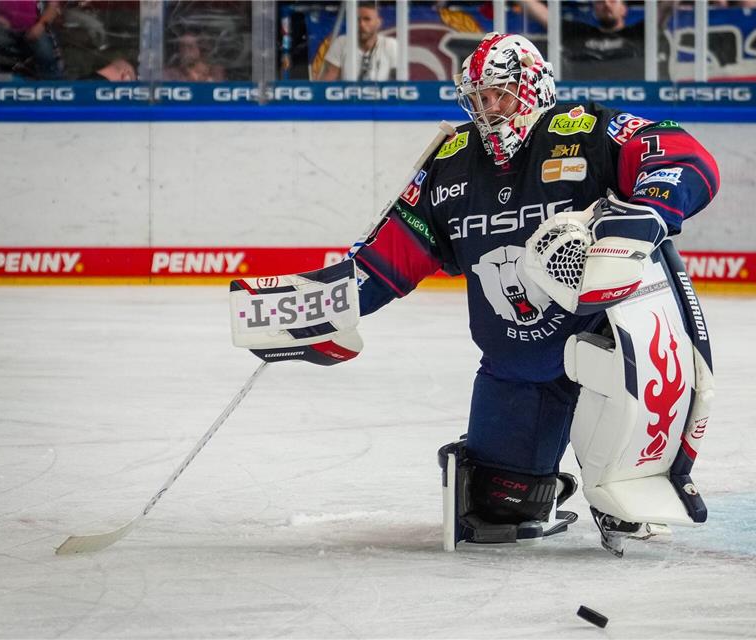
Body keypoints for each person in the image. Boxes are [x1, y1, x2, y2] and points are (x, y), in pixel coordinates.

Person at [287, 33, 717, 556]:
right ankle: (547, 482)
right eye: (479, 99)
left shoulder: (583, 131)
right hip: (517, 362)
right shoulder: (451, 160)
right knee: (496, 511)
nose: (489, 110)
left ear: (532, 88)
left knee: (630, 499)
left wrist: (652, 207)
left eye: (500, 95)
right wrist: (318, 305)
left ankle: (621, 483)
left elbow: (682, 153)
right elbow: (387, 258)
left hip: (610, 344)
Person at [519, 0, 674, 80]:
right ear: (594, 9)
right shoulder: (579, 33)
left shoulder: (641, 32)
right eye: (600, 1)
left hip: (636, 103)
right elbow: (545, 16)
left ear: (624, 9)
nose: (606, 4)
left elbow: (666, 7)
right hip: (587, 104)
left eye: (613, 1)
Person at [320, 1, 398, 81]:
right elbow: (327, 80)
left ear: (378, 23)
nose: (361, 24)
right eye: (357, 19)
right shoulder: (341, 43)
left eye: (367, 19)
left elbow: (399, 83)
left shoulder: (391, 45)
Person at [0, 0, 64, 79]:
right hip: (0, 28)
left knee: (46, 53)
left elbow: (53, 6)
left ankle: (51, 83)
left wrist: (40, 26)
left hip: (34, 28)